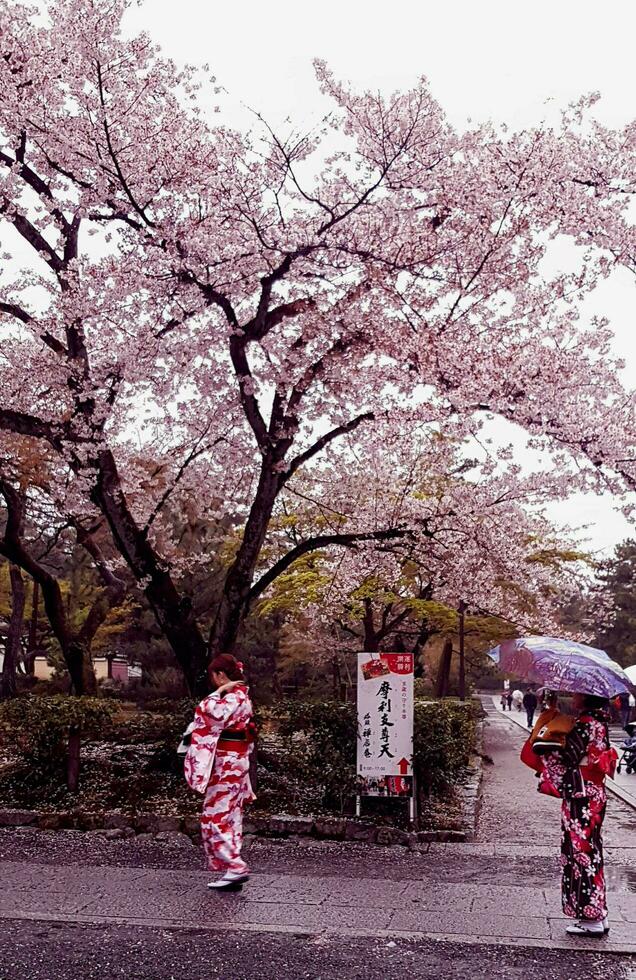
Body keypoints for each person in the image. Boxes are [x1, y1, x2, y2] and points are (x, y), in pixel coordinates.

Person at [541, 693, 617, 936]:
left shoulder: (585, 723)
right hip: (595, 792)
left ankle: (590, 918)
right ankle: (598, 911)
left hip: (580, 794)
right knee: (591, 851)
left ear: (585, 697)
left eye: (576, 694)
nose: (573, 696)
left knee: (579, 852)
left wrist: (548, 728)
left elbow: (563, 755)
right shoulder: (600, 721)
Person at [184, 654, 256, 892]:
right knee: (231, 815)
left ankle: (235, 865)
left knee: (215, 815)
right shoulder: (242, 696)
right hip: (237, 761)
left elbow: (209, 713)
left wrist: (218, 692)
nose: (213, 682)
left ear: (221, 675)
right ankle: (231, 869)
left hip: (227, 763)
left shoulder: (231, 697)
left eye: (215, 677)